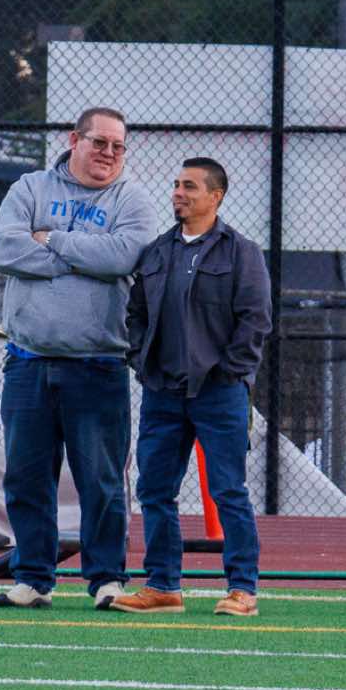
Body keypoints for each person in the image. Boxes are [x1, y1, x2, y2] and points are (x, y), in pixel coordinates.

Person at [0, 105, 153, 610]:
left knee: (101, 481)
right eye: (99, 142)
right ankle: (33, 578)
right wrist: (86, 256)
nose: (108, 153)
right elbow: (3, 251)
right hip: (28, 362)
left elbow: (125, 256)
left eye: (118, 146)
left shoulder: (131, 198)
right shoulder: (30, 188)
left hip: (98, 365)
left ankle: (107, 580)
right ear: (73, 140)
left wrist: (53, 240)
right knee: (26, 477)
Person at [112, 157, 272, 617]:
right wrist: (142, 360)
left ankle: (242, 589)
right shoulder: (158, 251)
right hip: (162, 393)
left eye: (189, 186)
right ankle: (163, 586)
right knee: (154, 490)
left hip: (219, 394)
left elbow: (256, 320)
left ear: (215, 196)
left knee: (228, 491)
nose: (178, 193)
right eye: (177, 185)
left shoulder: (241, 253)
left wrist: (228, 372)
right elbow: (136, 313)